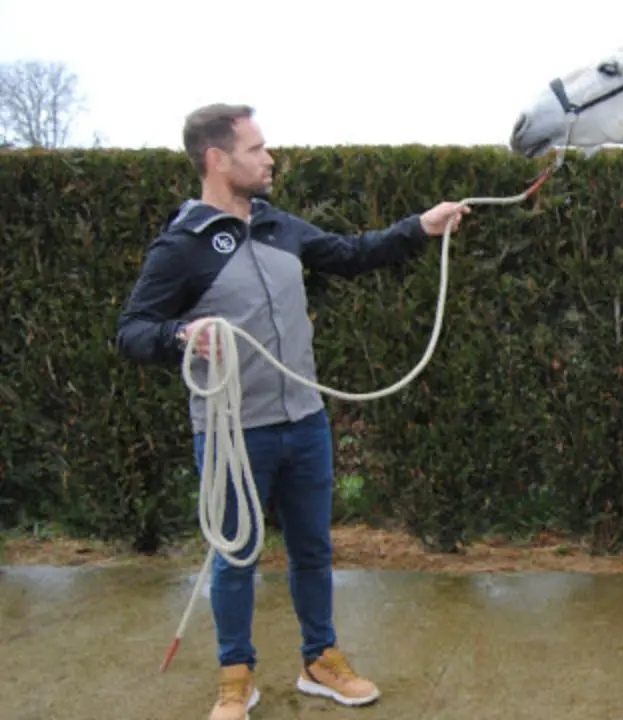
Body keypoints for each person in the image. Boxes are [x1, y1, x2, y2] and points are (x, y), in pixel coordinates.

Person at [115, 103, 471, 720]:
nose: (269, 158)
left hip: (304, 421)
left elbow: (353, 253)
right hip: (232, 433)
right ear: (217, 160)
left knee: (313, 550)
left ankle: (320, 661)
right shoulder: (183, 247)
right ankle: (237, 678)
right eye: (256, 149)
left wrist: (422, 227)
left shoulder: (279, 226)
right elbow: (131, 331)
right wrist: (181, 336)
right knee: (235, 557)